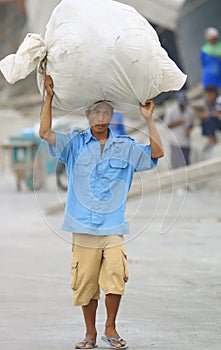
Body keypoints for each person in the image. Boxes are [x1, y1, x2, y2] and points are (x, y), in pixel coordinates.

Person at [39, 75, 164, 349]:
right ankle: (90, 334)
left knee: (116, 277)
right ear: (87, 115)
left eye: (106, 112)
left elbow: (157, 152)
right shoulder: (73, 144)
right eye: (95, 112)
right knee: (85, 283)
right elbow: (45, 133)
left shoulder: (126, 147)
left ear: (112, 116)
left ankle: (110, 327)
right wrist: (49, 97)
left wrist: (148, 119)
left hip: (113, 226)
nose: (100, 117)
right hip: (81, 226)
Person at [164, 91, 195, 169]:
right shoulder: (171, 111)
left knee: (185, 163)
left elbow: (191, 124)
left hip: (186, 141)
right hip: (175, 141)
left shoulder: (190, 111)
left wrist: (189, 129)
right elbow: (167, 125)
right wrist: (177, 122)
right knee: (176, 164)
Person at [199, 84, 221, 150]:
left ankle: (213, 141)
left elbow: (219, 114)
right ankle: (210, 140)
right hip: (216, 120)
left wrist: (208, 114)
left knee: (210, 119)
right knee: (205, 120)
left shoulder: (219, 99)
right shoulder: (209, 101)